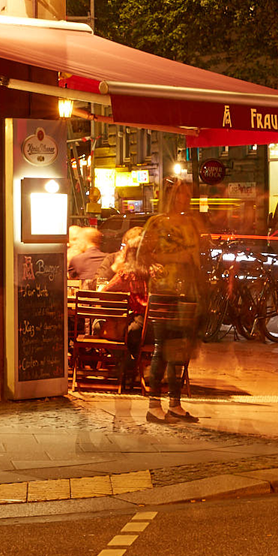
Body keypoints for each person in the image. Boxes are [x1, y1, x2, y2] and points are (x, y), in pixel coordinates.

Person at [139, 179, 206, 424]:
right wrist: (176, 258)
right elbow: (142, 255)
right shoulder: (157, 223)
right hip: (163, 291)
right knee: (162, 347)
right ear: (171, 197)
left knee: (180, 350)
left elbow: (197, 257)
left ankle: (175, 403)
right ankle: (153, 404)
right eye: (181, 195)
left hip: (186, 292)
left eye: (188, 195)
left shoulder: (191, 223)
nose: (185, 200)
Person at [101, 227, 149, 390]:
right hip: (160, 330)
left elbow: (105, 292)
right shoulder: (158, 271)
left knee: (106, 330)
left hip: (138, 328)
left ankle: (128, 368)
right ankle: (134, 368)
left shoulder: (126, 273)